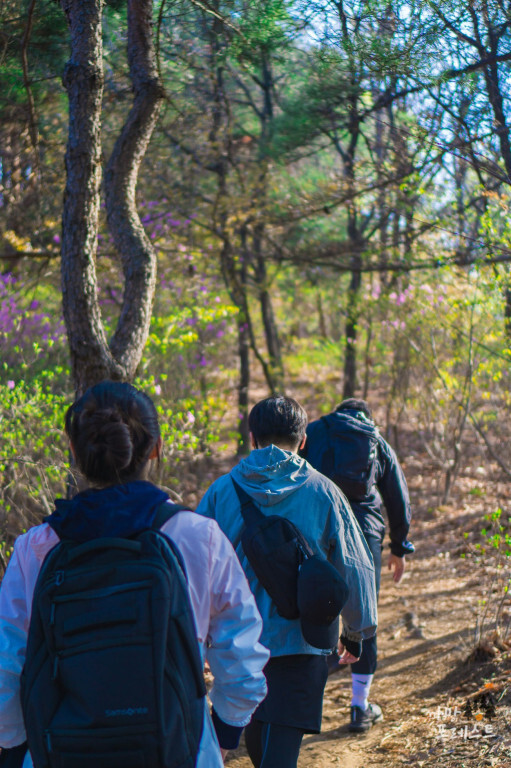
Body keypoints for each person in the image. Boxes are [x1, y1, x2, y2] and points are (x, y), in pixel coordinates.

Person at [0, 381, 269, 768]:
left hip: (62, 752)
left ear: (73, 451)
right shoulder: (199, 537)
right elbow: (242, 656)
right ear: (157, 449)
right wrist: (224, 731)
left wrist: (17, 747)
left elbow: (8, 666)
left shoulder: (36, 548)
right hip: (178, 749)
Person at [196, 395, 377, 768]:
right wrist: (356, 631)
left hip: (237, 642)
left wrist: (198, 636)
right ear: (304, 439)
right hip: (303, 638)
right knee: (280, 740)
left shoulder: (219, 492)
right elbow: (355, 566)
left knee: (259, 726)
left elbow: (196, 568)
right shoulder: (324, 491)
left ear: (252, 437)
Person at [301, 397, 414, 733]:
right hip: (364, 534)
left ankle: (306, 706)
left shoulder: (315, 431)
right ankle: (359, 708)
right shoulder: (375, 438)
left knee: (315, 609)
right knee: (363, 617)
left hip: (317, 529)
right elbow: (398, 496)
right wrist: (400, 546)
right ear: (365, 415)